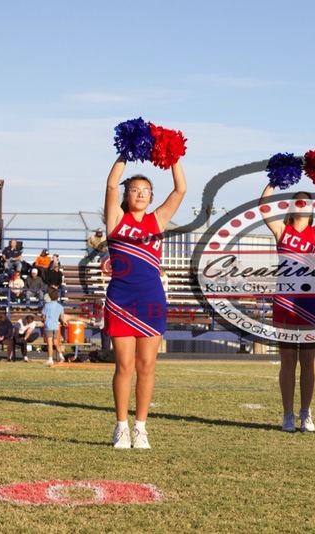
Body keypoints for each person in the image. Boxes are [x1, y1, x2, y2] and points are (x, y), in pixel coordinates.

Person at [104, 154, 186, 449]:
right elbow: (111, 184)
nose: (140, 194)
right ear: (127, 195)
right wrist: (124, 154)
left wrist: (173, 155)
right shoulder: (116, 219)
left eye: (145, 191)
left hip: (151, 297)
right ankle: (121, 427)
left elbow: (180, 190)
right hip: (121, 298)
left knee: (147, 365)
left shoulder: (157, 219)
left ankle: (141, 428)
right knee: (124, 364)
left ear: (151, 197)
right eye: (135, 190)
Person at [260, 178, 315, 433]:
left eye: (307, 200)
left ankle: (306, 413)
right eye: (298, 199)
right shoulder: (281, 231)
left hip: (309, 301)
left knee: (308, 359)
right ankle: (287, 415)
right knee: (287, 359)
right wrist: (274, 180)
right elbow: (263, 207)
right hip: (284, 300)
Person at [42, 287, 66, 365]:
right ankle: (61, 356)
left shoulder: (47, 305)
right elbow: (62, 318)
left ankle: (50, 359)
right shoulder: (60, 306)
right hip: (56, 326)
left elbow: (43, 316)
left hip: (48, 325)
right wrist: (63, 322)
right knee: (56, 343)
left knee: (49, 343)